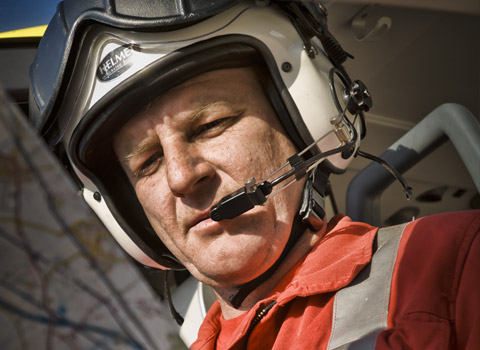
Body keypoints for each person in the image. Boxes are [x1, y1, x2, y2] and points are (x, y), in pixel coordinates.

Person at [28, 0, 480, 349]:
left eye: (209, 125)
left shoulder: (452, 263)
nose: (182, 177)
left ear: (304, 119)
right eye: (147, 163)